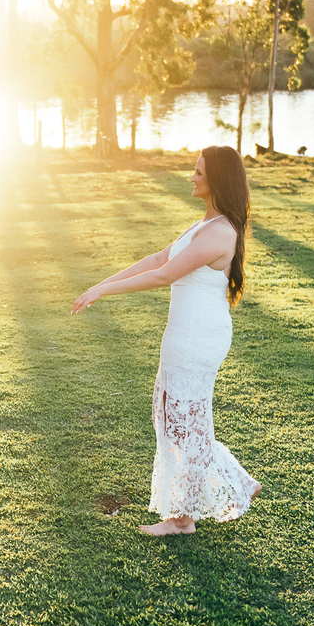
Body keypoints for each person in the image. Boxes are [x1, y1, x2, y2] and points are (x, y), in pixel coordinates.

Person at [72, 145, 261, 535]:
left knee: (182, 422)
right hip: (184, 334)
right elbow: (159, 260)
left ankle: (184, 518)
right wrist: (100, 285)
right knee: (176, 419)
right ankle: (224, 489)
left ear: (217, 180)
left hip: (197, 337)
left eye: (199, 172)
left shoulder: (220, 231)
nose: (191, 177)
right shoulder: (204, 225)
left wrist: (105, 292)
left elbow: (164, 275)